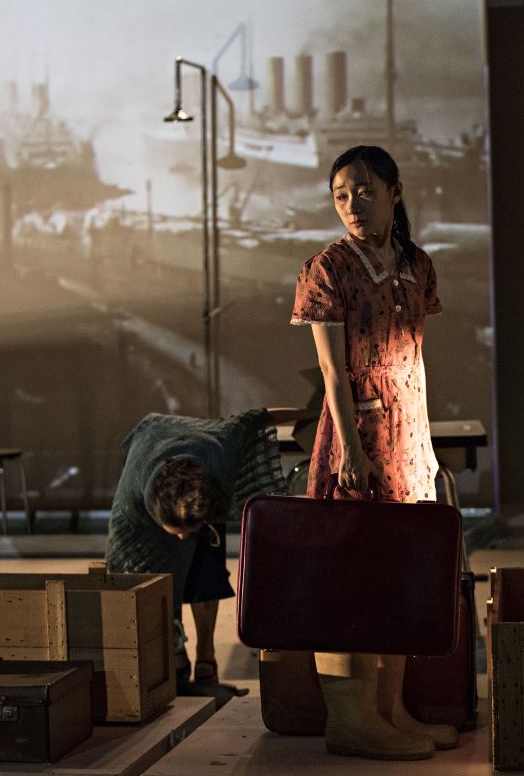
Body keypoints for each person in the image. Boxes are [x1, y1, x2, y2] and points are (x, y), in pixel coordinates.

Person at [290, 145, 458, 760]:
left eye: (364, 190)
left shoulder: (416, 265)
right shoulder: (328, 268)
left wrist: (425, 445)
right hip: (356, 437)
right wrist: (351, 451)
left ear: (394, 192)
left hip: (407, 439)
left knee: (398, 574)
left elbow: (415, 360)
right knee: (351, 575)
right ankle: (352, 719)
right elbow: (333, 373)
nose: (352, 204)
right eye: (341, 194)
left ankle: (391, 712)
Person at [105, 408, 300, 692]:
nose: (183, 538)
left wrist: (315, 412)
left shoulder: (219, 457)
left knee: (207, 570)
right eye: (177, 531)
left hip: (202, 466)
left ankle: (206, 655)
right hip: (153, 443)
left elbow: (255, 419)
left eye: (188, 530)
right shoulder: (131, 501)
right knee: (154, 577)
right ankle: (174, 648)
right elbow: (121, 557)